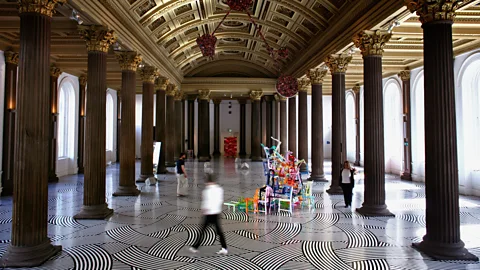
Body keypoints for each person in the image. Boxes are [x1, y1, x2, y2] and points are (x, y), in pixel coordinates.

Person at [189, 173, 228, 255]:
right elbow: (220, 201)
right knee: (218, 231)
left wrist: (204, 210)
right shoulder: (219, 189)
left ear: (208, 181)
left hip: (209, 214)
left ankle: (195, 247)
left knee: (203, 231)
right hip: (216, 212)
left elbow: (206, 202)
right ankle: (224, 248)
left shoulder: (206, 191)